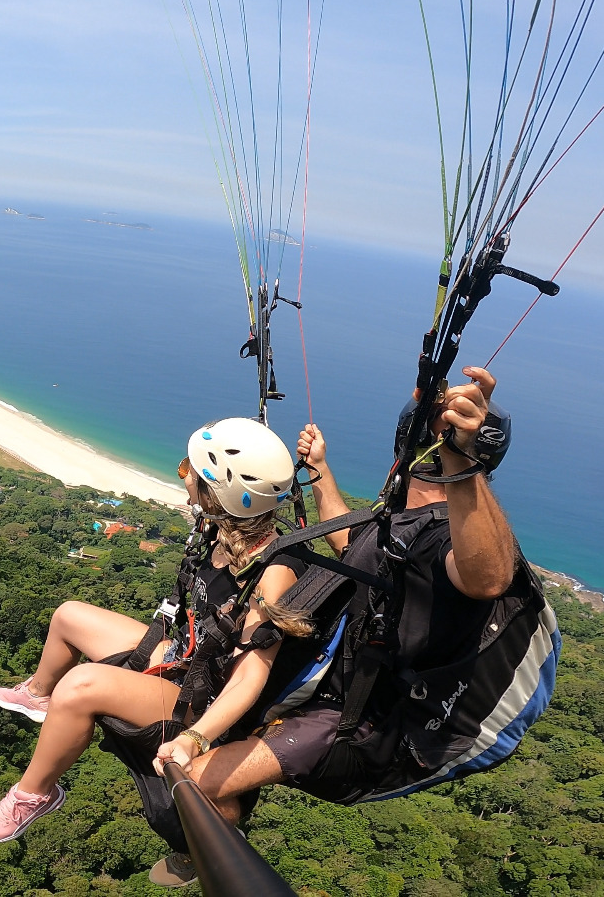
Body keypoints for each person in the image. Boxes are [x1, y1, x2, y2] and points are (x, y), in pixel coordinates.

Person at [152, 366, 525, 881]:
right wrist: (321, 470)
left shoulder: (445, 536)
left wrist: (462, 467)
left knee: (194, 781)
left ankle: (202, 858)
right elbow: (355, 549)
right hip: (332, 687)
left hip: (362, 725)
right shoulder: (398, 520)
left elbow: (487, 579)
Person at [0, 418, 315, 860]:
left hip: (205, 703)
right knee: (69, 616)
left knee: (79, 686)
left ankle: (33, 795)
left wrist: (197, 739)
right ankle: (38, 695)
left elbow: (249, 678)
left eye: (192, 472)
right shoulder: (224, 533)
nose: (184, 474)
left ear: (217, 496)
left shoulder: (272, 573)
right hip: (191, 660)